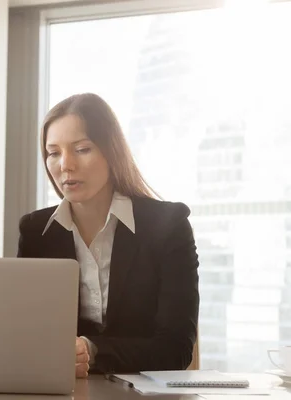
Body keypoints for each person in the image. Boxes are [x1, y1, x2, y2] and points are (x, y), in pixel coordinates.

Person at [17, 93, 199, 376]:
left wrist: (93, 351)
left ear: (111, 151)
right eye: (53, 153)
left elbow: (175, 350)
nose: (65, 165)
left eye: (82, 149)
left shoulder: (168, 225)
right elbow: (26, 338)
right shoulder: (36, 232)